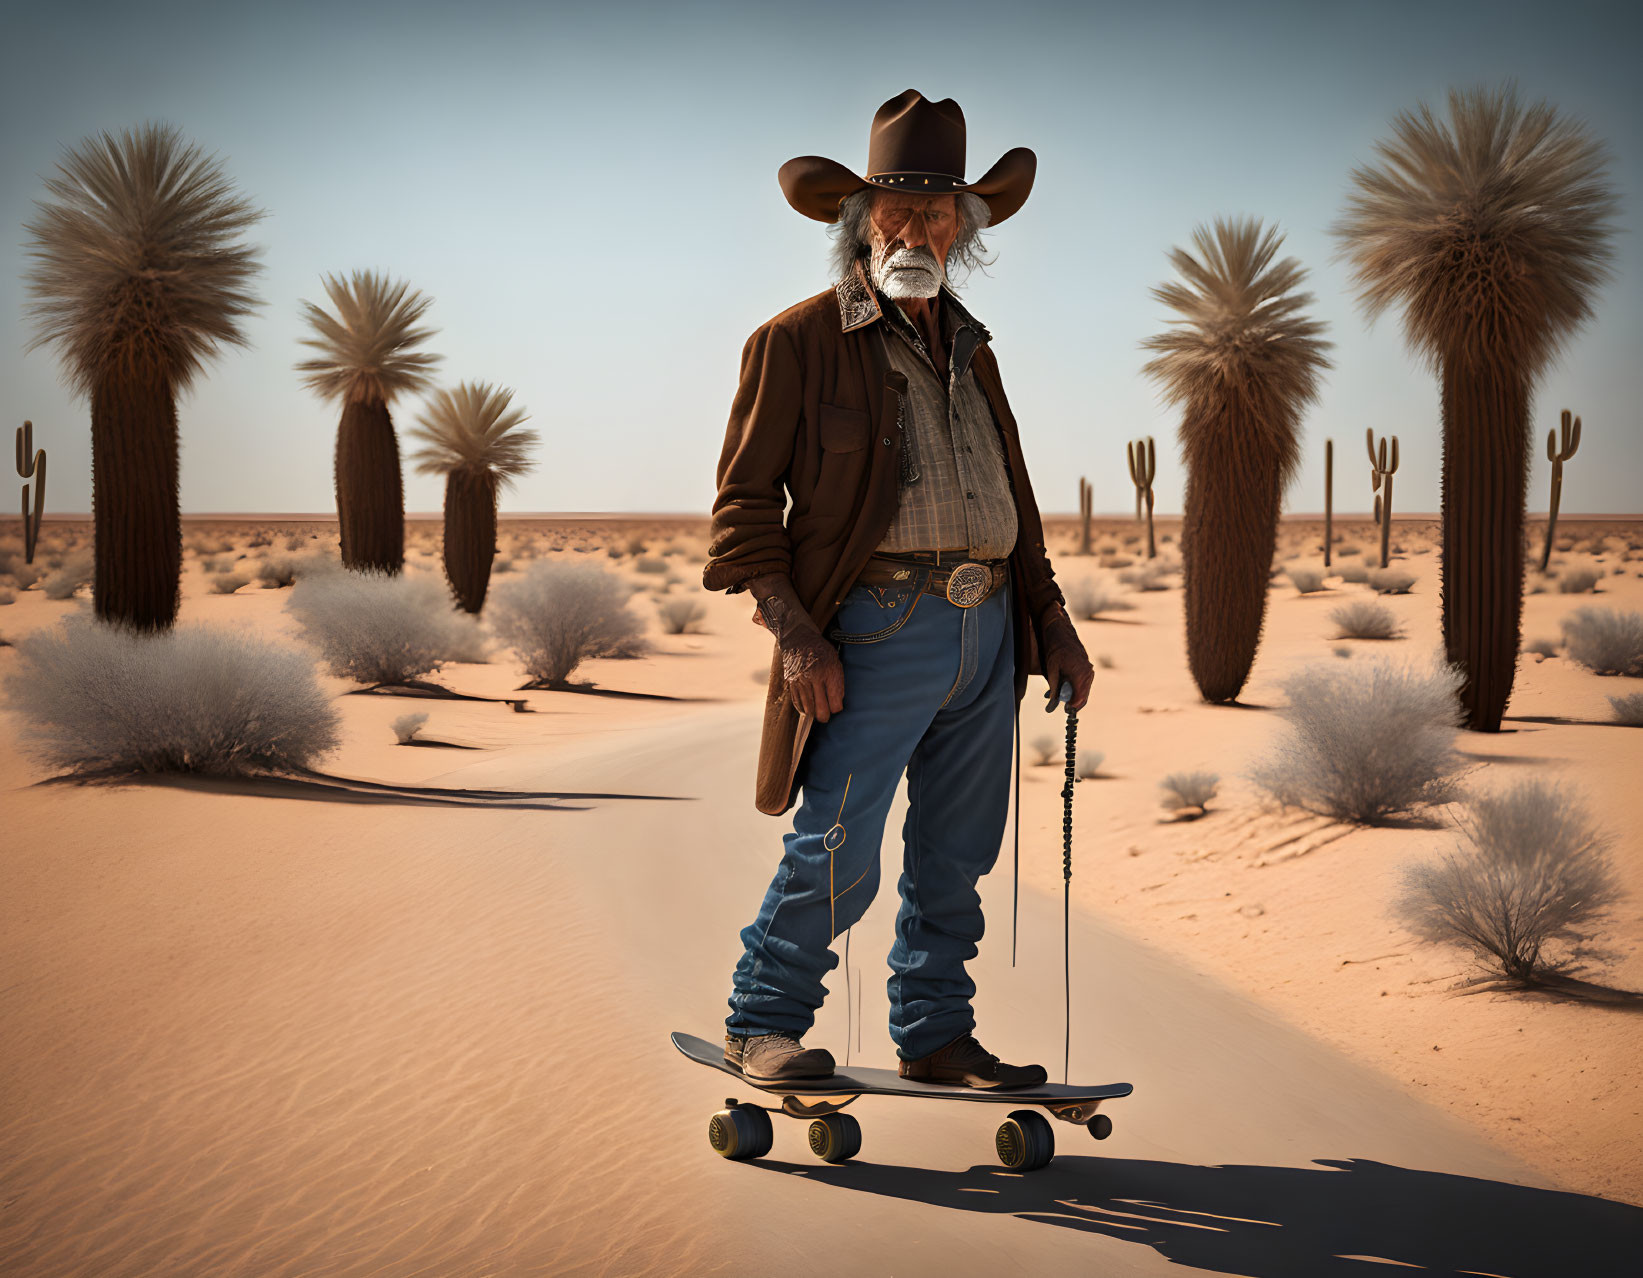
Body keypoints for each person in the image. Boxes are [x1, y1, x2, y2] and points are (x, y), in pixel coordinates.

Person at [701, 90, 1094, 1088]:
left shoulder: (974, 348)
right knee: (836, 842)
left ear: (963, 230)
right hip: (874, 628)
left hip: (988, 630)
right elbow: (742, 519)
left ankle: (933, 1036)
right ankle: (762, 1024)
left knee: (955, 855)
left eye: (936, 213)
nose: (915, 229)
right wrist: (796, 639)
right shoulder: (795, 342)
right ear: (858, 219)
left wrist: (1049, 622)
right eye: (895, 209)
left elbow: (1013, 500)